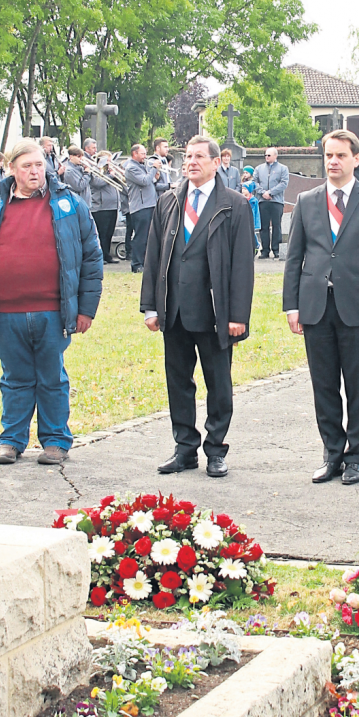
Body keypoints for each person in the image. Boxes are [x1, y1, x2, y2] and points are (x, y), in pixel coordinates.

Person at [0, 139, 103, 466]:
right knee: (14, 379)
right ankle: (11, 440)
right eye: (27, 166)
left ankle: (55, 441)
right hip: (5, 314)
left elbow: (91, 257)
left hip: (52, 312)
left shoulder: (69, 204)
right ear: (12, 170)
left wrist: (86, 309)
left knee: (52, 378)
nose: (36, 172)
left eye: (39, 165)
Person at [140, 135, 255, 478]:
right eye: (187, 156)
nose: (191, 162)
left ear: (217, 162)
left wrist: (237, 316)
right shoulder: (168, 201)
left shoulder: (234, 205)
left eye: (199, 157)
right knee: (178, 381)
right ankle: (184, 448)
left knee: (218, 383)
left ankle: (216, 449)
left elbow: (241, 266)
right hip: (174, 310)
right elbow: (153, 256)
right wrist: (150, 306)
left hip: (213, 311)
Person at [283, 130, 359, 485]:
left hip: (358, 310)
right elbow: (295, 257)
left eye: (340, 156)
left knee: (357, 385)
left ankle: (356, 457)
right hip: (316, 307)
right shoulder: (308, 201)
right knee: (324, 385)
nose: (333, 162)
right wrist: (292, 306)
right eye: (328, 155)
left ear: (356, 159)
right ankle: (332, 452)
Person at [123, 142, 170, 272]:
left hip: (149, 204)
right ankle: (136, 264)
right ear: (135, 154)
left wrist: (156, 176)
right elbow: (144, 181)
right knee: (141, 236)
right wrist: (154, 169)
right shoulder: (131, 168)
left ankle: (145, 262)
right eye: (142, 153)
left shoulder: (141, 165)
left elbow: (150, 182)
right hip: (140, 206)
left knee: (149, 236)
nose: (145, 156)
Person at [253, 146, 289, 259]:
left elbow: (284, 183)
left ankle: (276, 249)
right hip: (263, 201)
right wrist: (263, 193)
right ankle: (265, 250)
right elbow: (255, 182)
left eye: (269, 155)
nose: (266, 157)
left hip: (276, 201)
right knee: (263, 226)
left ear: (275, 156)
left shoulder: (283, 168)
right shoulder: (259, 169)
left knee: (276, 225)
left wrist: (271, 192)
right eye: (265, 155)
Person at [241, 166, 261, 250]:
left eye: (244, 189)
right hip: (244, 219)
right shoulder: (241, 199)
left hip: (251, 219)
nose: (242, 191)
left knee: (252, 234)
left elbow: (256, 213)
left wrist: (257, 223)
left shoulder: (253, 200)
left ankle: (256, 245)